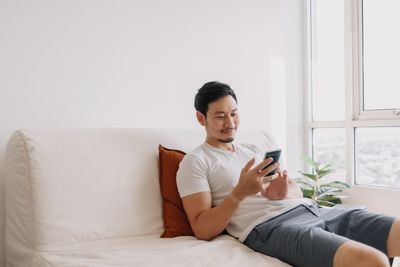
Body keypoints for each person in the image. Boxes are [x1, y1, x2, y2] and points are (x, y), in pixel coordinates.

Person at [176, 81, 400, 267]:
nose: (230, 123)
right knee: (374, 261)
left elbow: (292, 190)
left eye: (234, 114)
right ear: (201, 118)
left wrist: (283, 189)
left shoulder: (253, 150)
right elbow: (202, 229)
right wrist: (239, 193)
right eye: (220, 116)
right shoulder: (195, 161)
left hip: (314, 209)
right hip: (272, 227)